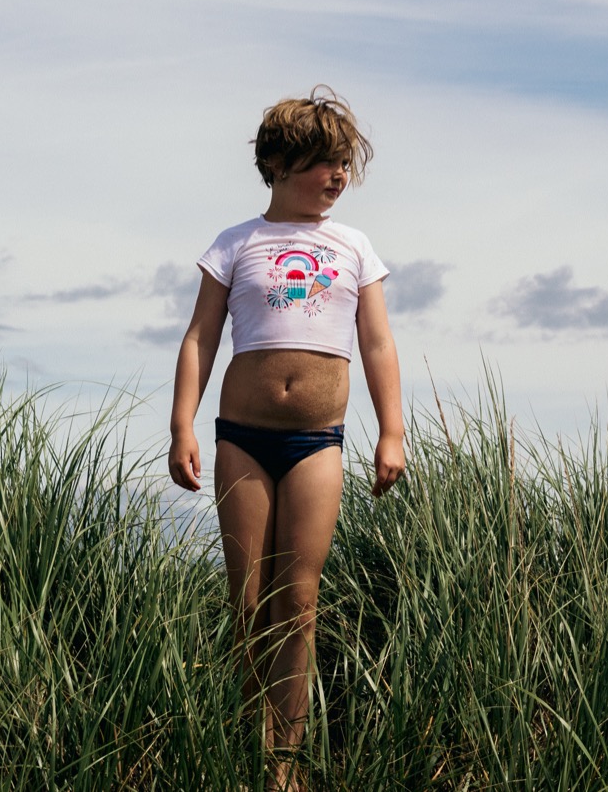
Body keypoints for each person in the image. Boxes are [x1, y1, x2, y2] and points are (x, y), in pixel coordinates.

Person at [168, 86, 406, 788]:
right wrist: (182, 423)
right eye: (324, 162)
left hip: (316, 442)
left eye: (344, 164)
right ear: (277, 163)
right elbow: (200, 337)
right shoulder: (236, 243)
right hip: (242, 438)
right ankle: (250, 748)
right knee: (248, 601)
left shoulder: (353, 246)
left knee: (298, 602)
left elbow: (378, 343)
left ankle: (286, 764)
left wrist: (392, 431)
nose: (338, 175)